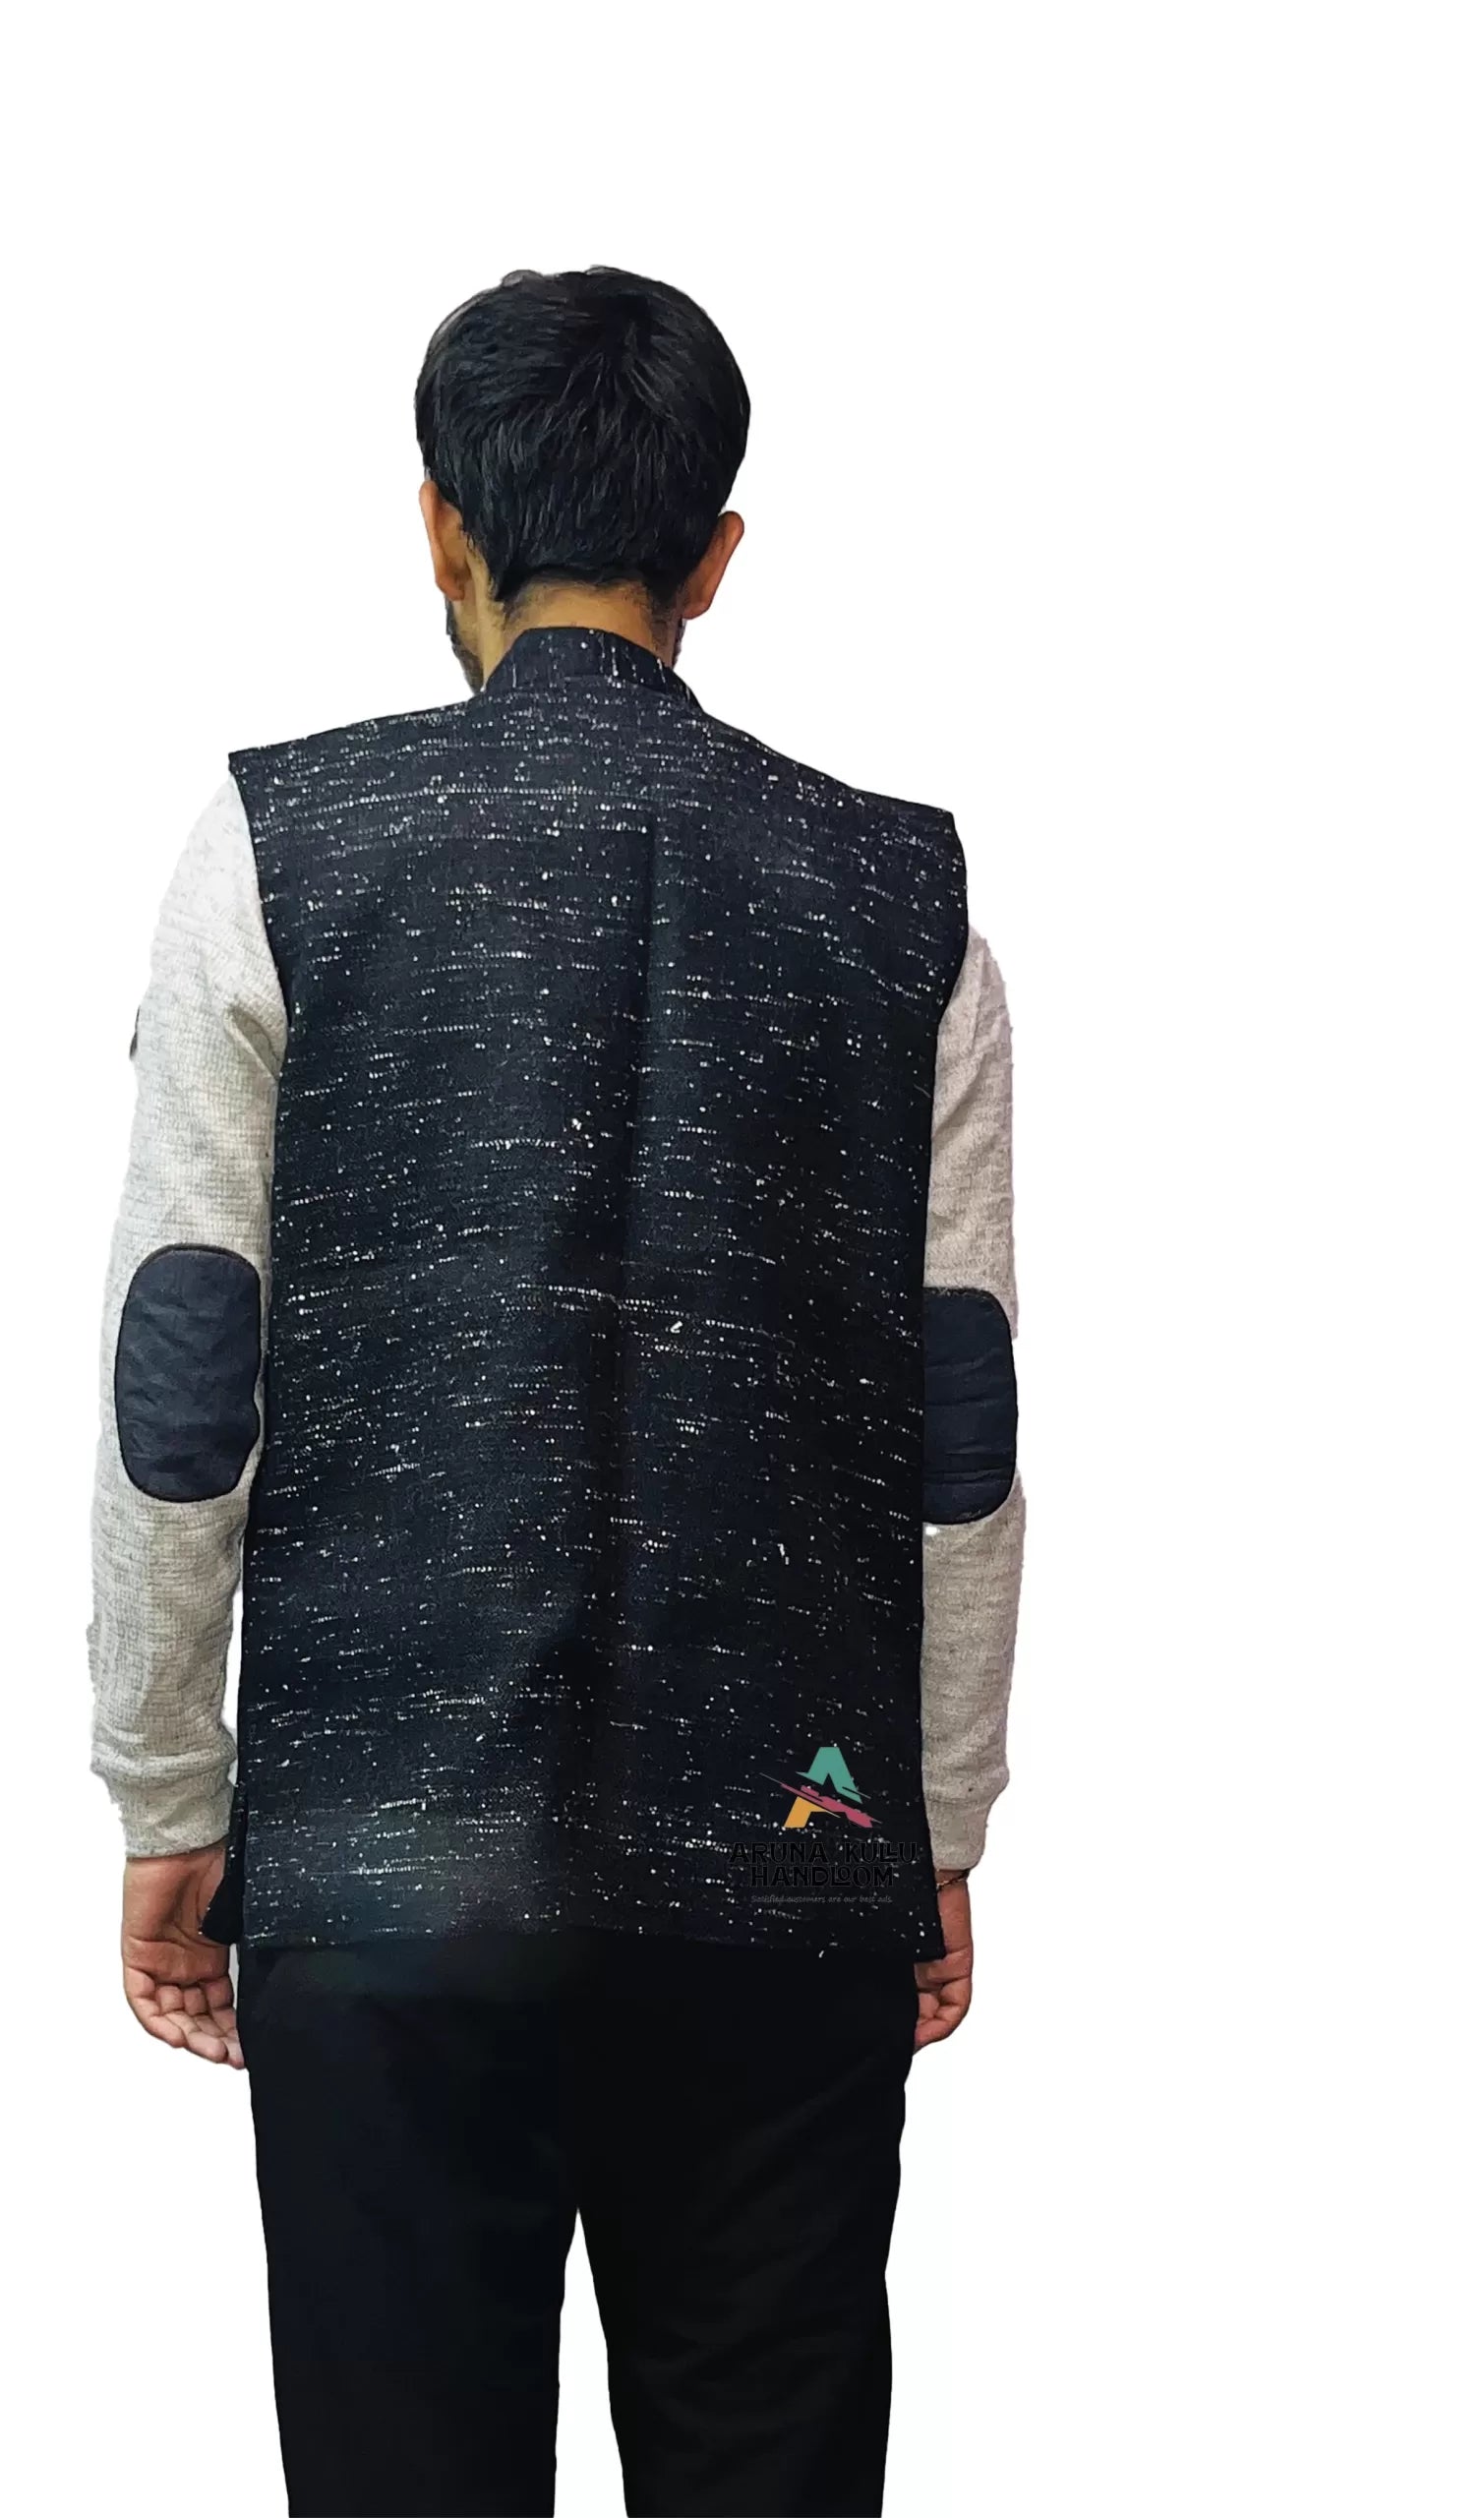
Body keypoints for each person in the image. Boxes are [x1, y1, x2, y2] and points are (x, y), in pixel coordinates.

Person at [88, 265, 1024, 2518]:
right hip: (786, 1860)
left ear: (441, 524)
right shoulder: (904, 902)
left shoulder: (275, 844)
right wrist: (930, 1817)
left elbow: (183, 1369)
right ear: (716, 553)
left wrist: (164, 1780)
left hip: (382, 1868)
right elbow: (954, 1421)